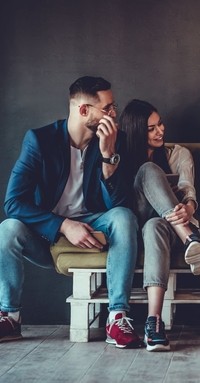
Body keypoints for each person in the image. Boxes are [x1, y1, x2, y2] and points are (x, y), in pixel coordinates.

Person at [0, 76, 142, 348]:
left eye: (114, 107)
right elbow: (14, 202)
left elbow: (120, 205)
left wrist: (108, 158)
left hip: (95, 227)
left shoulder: (116, 140)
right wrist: (63, 224)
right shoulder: (40, 140)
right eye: (108, 108)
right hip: (48, 234)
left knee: (124, 217)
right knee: (7, 228)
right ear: (84, 110)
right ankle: (10, 316)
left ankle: (117, 316)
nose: (114, 114)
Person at [120, 99, 200, 351]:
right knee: (149, 175)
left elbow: (187, 187)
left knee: (156, 225)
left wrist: (189, 206)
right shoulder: (122, 160)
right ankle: (191, 239)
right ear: (137, 131)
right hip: (140, 229)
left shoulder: (179, 153)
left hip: (171, 230)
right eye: (151, 128)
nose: (160, 131)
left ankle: (153, 321)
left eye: (160, 124)